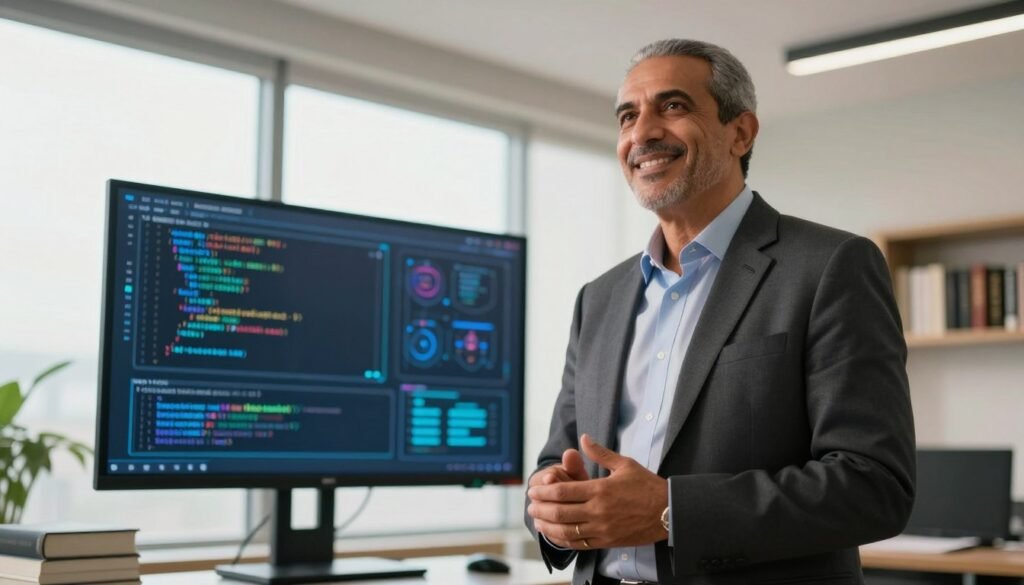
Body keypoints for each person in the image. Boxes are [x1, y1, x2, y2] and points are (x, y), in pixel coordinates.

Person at [524, 39, 915, 585]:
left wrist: (669, 511)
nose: (642, 133)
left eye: (673, 106)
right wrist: (548, 506)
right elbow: (555, 462)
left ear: (741, 132)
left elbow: (874, 486)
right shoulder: (600, 298)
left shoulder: (831, 266)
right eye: (627, 116)